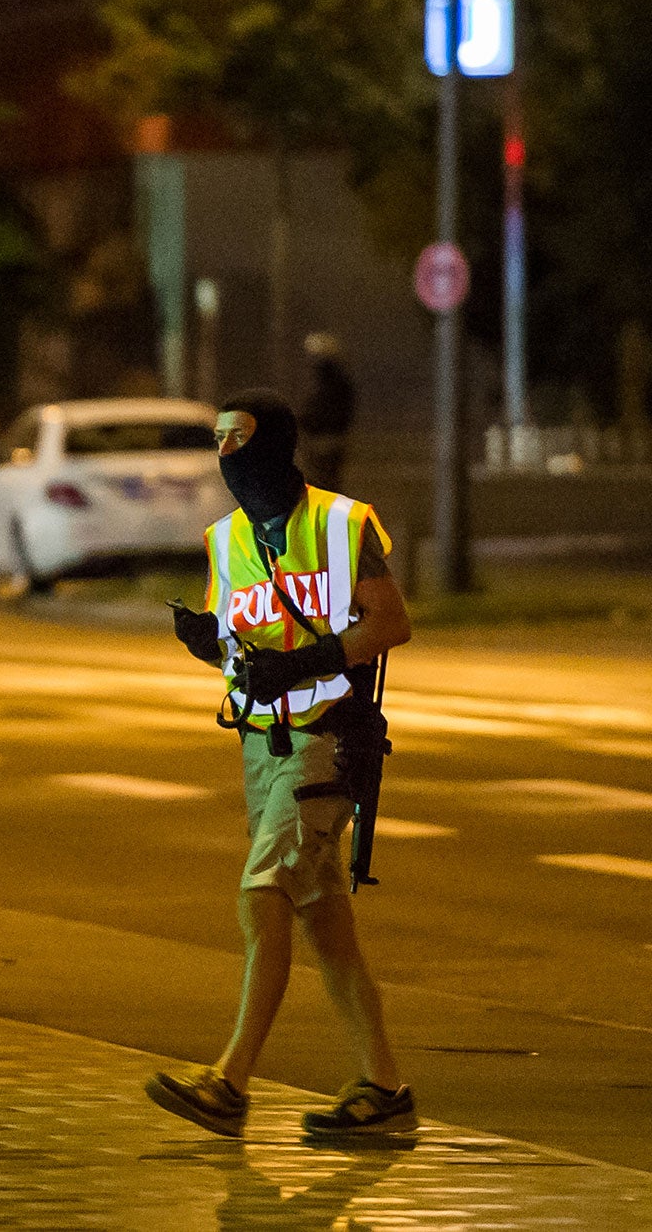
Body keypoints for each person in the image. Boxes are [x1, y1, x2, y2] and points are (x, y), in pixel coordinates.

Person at [147, 389, 416, 1140]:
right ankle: (385, 1090)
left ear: (278, 443)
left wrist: (307, 664)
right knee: (326, 926)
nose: (227, 451)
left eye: (241, 437)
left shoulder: (339, 522)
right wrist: (214, 648)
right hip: (262, 746)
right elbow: (247, 647)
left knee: (262, 895)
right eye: (219, 438)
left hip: (327, 739)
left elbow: (391, 622)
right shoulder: (226, 539)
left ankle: (229, 1083)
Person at [299, 334, 357, 493]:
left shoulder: (327, 382)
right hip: (331, 438)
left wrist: (304, 422)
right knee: (327, 482)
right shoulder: (338, 381)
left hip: (324, 440)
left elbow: (322, 411)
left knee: (322, 482)